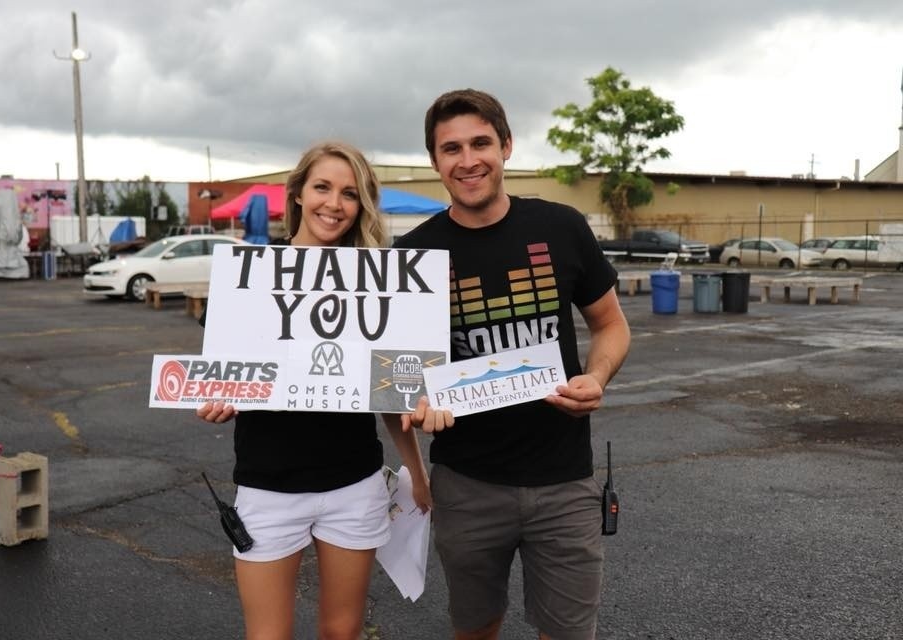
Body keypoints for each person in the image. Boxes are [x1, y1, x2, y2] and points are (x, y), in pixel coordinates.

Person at [388, 89, 631, 640]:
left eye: (480, 143)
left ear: (507, 146)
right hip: (467, 485)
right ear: (434, 161)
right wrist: (415, 405)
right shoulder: (412, 257)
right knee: (476, 628)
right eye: (451, 148)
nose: (467, 160)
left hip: (565, 480)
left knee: (569, 632)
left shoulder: (561, 227)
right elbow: (397, 375)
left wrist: (596, 377)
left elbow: (611, 324)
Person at [196, 141, 431, 640]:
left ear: (362, 205)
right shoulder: (251, 275)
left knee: (342, 632)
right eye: (322, 187)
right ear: (298, 193)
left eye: (350, 193)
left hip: (353, 485)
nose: (334, 203)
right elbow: (222, 374)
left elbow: (391, 391)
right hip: (267, 485)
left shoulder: (377, 281)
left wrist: (416, 469)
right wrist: (219, 399)